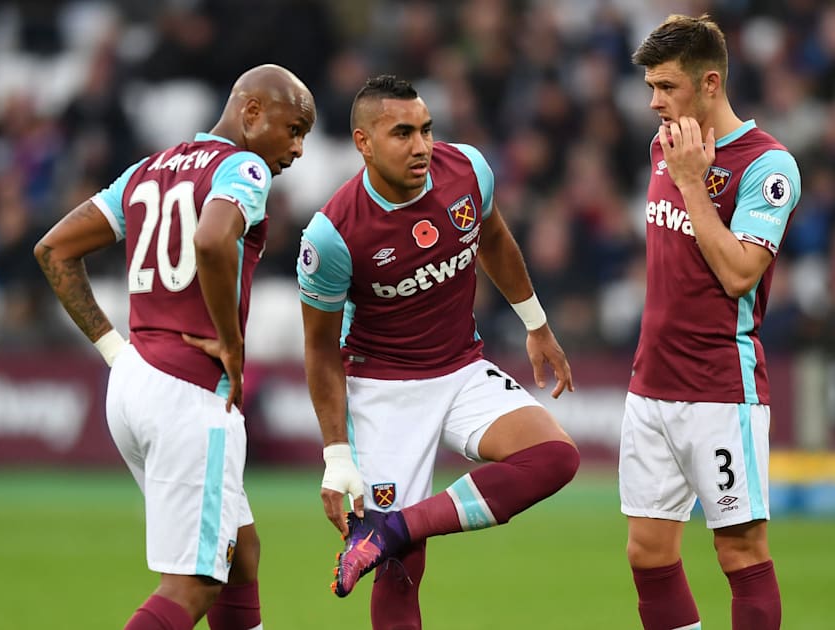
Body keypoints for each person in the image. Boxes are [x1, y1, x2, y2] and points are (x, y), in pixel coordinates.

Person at [34, 64, 315, 630]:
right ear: (251, 113)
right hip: (190, 393)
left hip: (134, 379)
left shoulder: (148, 169)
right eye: (293, 129)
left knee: (240, 553)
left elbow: (53, 249)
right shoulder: (243, 168)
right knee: (194, 583)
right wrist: (232, 344)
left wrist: (112, 348)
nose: (299, 148)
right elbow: (211, 239)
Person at [297, 75, 581, 630]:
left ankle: (394, 527)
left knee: (555, 457)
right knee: (401, 572)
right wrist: (336, 456)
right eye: (402, 133)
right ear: (363, 143)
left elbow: (493, 240)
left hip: (461, 368)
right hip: (382, 390)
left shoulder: (468, 170)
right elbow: (319, 350)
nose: (421, 146)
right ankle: (395, 536)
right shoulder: (332, 235)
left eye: (426, 129)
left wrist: (537, 325)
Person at [620, 15, 800, 630]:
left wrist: (693, 184)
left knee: (740, 553)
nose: (654, 101)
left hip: (721, 389)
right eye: (651, 86)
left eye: (667, 86)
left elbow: (740, 274)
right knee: (647, 553)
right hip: (650, 385)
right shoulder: (665, 144)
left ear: (710, 83)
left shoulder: (767, 166)